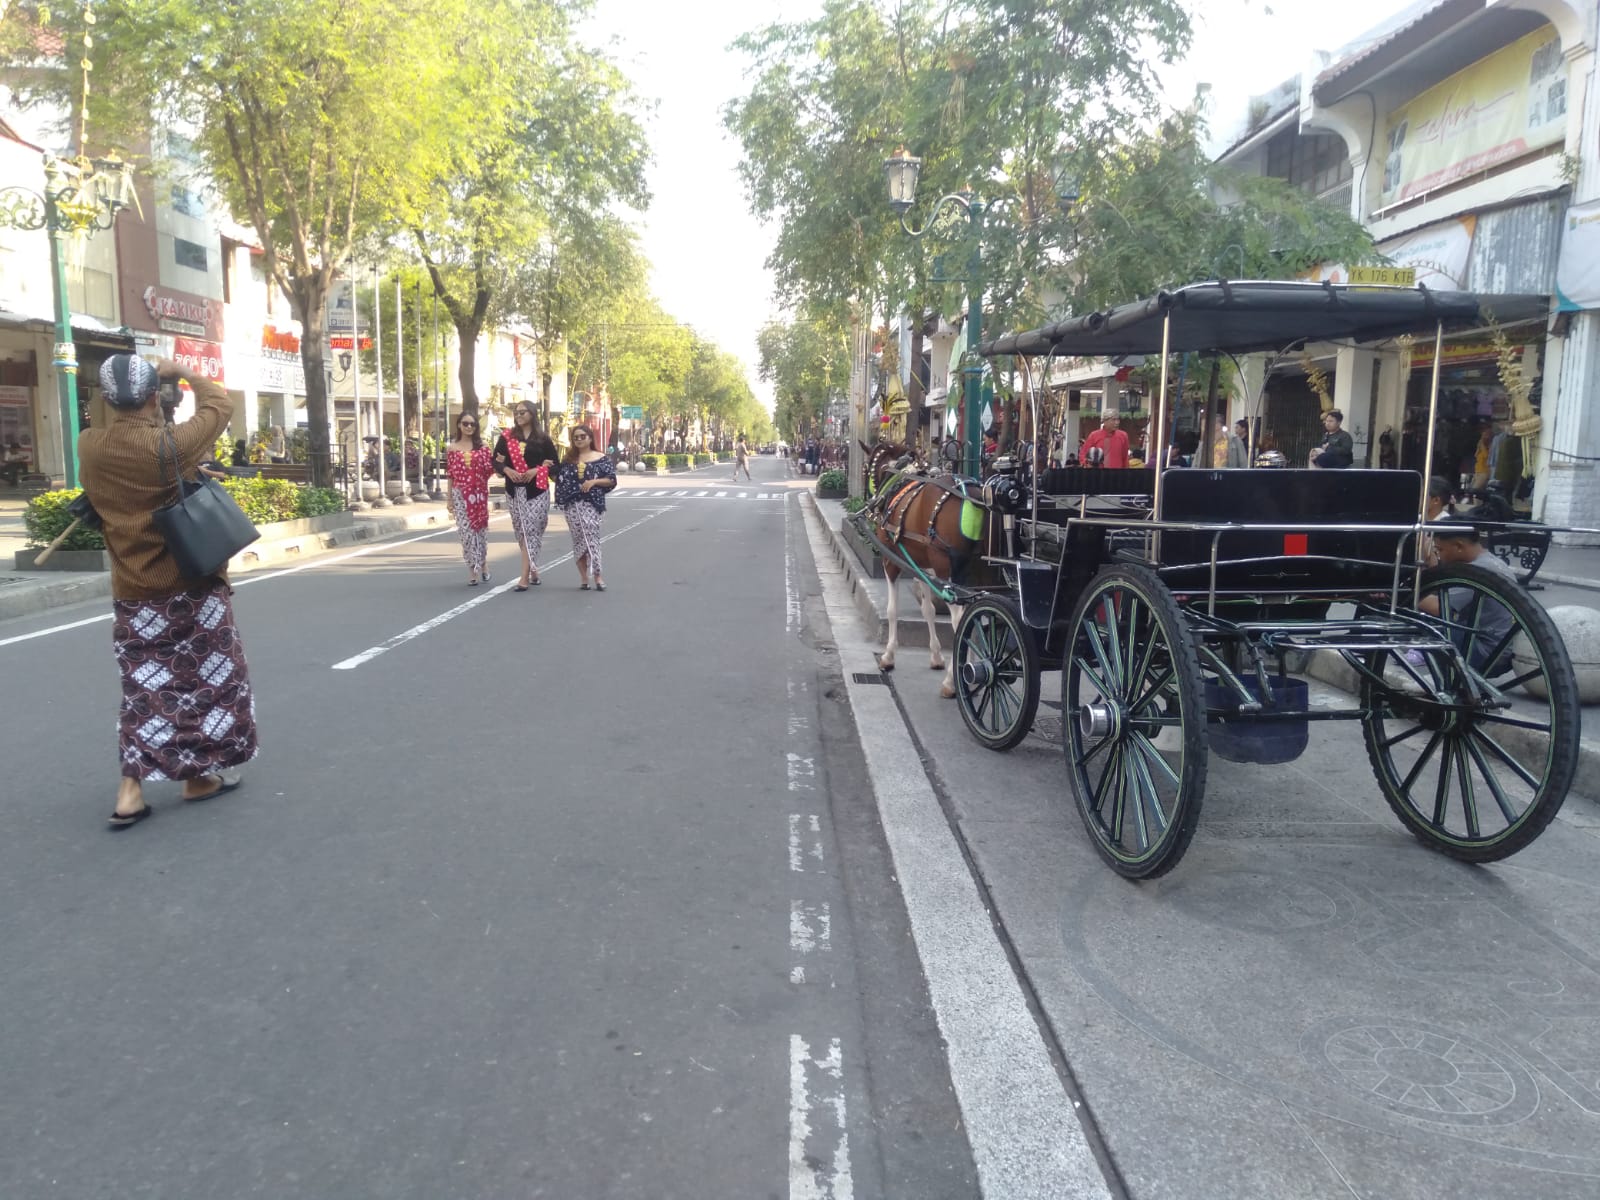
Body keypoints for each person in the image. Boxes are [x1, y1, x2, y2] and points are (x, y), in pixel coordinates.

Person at [77, 355, 258, 829]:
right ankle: (198, 777)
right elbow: (218, 404)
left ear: (108, 400)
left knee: (144, 689)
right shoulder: (169, 446)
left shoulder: (89, 445)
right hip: (192, 585)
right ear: (154, 397)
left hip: (134, 592)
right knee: (210, 683)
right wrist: (182, 370)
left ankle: (130, 790)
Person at [493, 403, 558, 591]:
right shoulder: (507, 438)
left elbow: (555, 466)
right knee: (521, 531)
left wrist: (538, 470)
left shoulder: (543, 439)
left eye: (522, 412)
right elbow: (496, 461)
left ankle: (523, 577)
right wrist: (506, 469)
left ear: (532, 414)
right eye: (516, 413)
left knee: (532, 530)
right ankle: (532, 567)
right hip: (514, 491)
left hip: (536, 491)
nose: (518, 415)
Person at [555, 423, 616, 591]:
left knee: (592, 537)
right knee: (578, 540)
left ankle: (598, 575)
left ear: (590, 438)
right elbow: (559, 479)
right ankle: (584, 577)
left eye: (583, 436)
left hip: (593, 504)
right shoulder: (568, 460)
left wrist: (594, 482)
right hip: (573, 505)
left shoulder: (601, 458)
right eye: (576, 438)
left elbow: (611, 479)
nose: (579, 440)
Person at [445, 411, 495, 586]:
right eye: (465, 423)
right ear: (459, 425)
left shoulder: (483, 447)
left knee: (480, 532)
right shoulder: (452, 448)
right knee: (466, 533)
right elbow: (450, 474)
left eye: (472, 424)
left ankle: (483, 564)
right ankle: (472, 570)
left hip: (479, 494)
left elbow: (490, 470)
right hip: (460, 494)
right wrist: (449, 498)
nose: (468, 427)